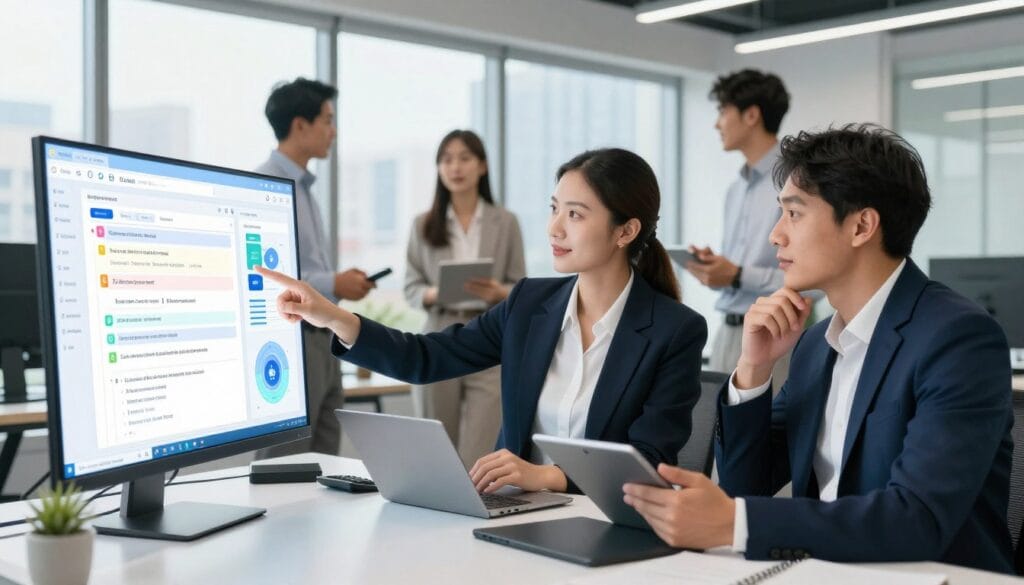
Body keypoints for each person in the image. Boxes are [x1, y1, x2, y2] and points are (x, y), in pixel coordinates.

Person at [623, 124, 1015, 574]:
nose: (775, 236)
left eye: (794, 214)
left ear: (862, 226)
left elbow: (917, 519)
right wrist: (754, 369)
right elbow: (745, 485)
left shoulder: (958, 339)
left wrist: (737, 523)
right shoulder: (815, 343)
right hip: (825, 571)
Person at [257, 148, 707, 494]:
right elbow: (428, 358)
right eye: (554, 209)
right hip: (513, 511)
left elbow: (648, 463)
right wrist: (335, 317)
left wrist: (545, 476)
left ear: (625, 231)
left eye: (575, 214)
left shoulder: (674, 330)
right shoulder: (530, 303)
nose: (554, 229)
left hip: (609, 526)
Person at [255, 78, 375, 456]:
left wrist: (337, 283)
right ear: (300, 125)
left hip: (324, 338)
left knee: (323, 459)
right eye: (327, 120)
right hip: (290, 341)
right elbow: (265, 276)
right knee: (283, 461)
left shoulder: (305, 190)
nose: (333, 131)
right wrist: (333, 282)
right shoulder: (266, 183)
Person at [405, 130, 526, 466]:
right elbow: (410, 287)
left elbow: (520, 285)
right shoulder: (422, 224)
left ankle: (476, 509)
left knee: (481, 447)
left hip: (488, 333)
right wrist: (434, 292)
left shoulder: (506, 222)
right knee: (435, 444)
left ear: (482, 166)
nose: (455, 167)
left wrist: (499, 291)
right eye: (446, 159)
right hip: (439, 332)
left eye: (464, 158)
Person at [687, 69, 792, 381]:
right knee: (713, 428)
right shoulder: (736, 189)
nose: (717, 123)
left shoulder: (794, 183)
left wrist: (738, 275)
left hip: (774, 336)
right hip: (727, 332)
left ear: (751, 115)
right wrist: (720, 270)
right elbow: (737, 271)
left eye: (722, 111)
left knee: (765, 429)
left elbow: (812, 283)